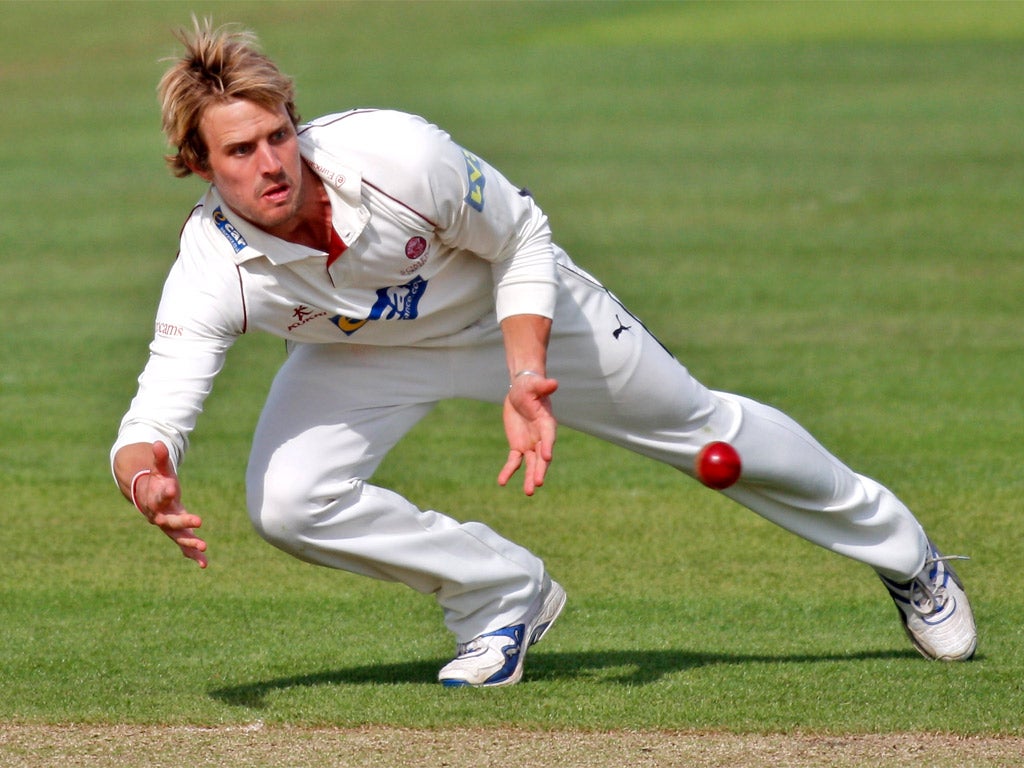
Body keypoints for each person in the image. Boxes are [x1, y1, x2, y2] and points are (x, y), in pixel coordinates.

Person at [111, 18, 977, 688]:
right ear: (196, 164)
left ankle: (906, 555)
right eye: (239, 150)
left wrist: (526, 375)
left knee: (703, 431)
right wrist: (148, 475)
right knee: (289, 504)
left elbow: (522, 236)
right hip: (367, 352)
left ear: (294, 122)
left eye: (277, 135)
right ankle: (501, 597)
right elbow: (159, 406)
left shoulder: (398, 155)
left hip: (514, 312)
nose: (271, 163)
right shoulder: (210, 266)